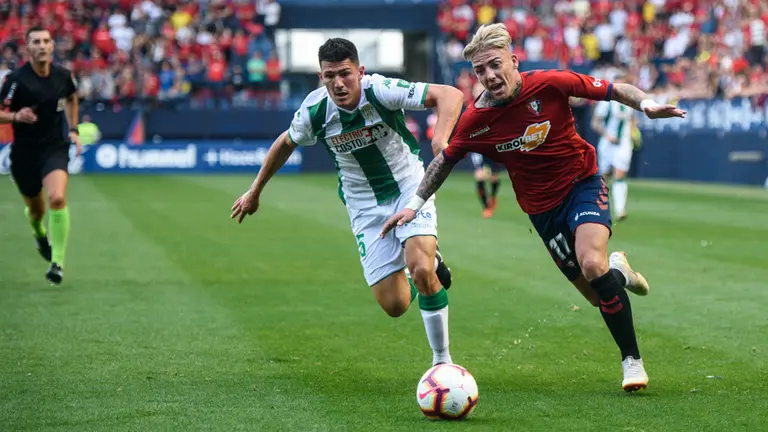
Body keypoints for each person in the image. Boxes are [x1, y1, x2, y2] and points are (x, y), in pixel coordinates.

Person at [381, 23, 686, 391]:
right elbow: (444, 161)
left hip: (582, 184)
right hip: (542, 211)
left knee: (591, 262)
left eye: (495, 65)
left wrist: (647, 104)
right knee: (596, 292)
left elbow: (613, 89)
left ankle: (631, 361)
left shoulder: (551, 83)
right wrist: (414, 206)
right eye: (480, 71)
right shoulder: (476, 121)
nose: (490, 76)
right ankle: (617, 271)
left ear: (513, 60)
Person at [230, 38, 464, 367]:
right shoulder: (315, 111)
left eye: (345, 74)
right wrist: (255, 192)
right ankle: (423, 268)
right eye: (329, 76)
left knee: (422, 268)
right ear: (320, 77)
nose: (338, 83)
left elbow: (450, 95)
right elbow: (285, 143)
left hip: (408, 187)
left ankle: (442, 365)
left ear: (360, 71)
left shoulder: (380, 90)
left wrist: (440, 140)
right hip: (364, 206)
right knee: (395, 305)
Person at [0, 27, 81, 285]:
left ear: (52, 46)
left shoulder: (62, 76)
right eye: (36, 41)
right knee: (36, 210)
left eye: (46, 41)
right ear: (28, 48)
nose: (42, 45)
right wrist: (15, 116)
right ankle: (38, 234)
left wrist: (75, 130)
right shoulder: (15, 80)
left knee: (57, 198)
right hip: (24, 153)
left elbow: (71, 97)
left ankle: (57, 262)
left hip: (54, 147)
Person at [591, 73, 636, 221]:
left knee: (620, 173)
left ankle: (620, 209)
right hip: (607, 143)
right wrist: (607, 135)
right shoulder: (606, 103)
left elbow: (632, 120)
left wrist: (633, 134)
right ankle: (597, 204)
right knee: (604, 175)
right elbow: (595, 123)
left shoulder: (630, 102)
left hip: (623, 143)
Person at [470, 152, 503, 218]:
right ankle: (486, 208)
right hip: (478, 150)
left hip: (491, 149)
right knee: (480, 176)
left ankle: (492, 197)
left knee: (494, 178)